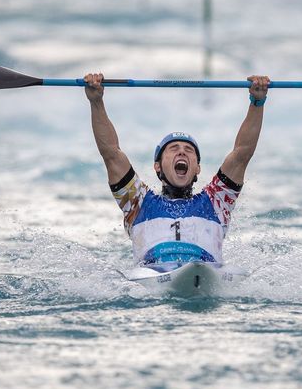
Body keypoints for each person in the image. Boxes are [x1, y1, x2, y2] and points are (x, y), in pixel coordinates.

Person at [84, 72, 270, 265]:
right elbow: (111, 154)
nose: (182, 153)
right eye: (174, 149)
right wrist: (96, 102)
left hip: (205, 273)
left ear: (197, 168)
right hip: (151, 278)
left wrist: (257, 102)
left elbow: (241, 154)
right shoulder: (137, 202)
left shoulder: (217, 201)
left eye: (189, 150)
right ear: (157, 166)